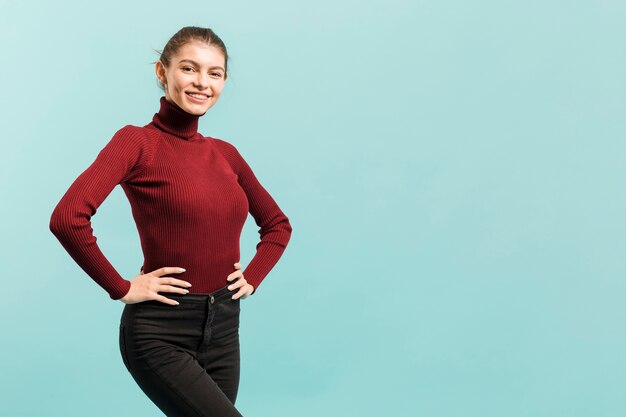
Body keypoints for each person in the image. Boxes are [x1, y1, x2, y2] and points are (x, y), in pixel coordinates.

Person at [48, 26, 293, 417]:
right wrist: (121, 287)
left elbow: (278, 225)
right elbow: (67, 218)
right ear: (163, 73)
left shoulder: (226, 154)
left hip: (225, 326)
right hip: (161, 330)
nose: (202, 82)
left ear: (225, 81)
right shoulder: (136, 142)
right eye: (189, 69)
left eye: (214, 73)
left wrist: (253, 276)